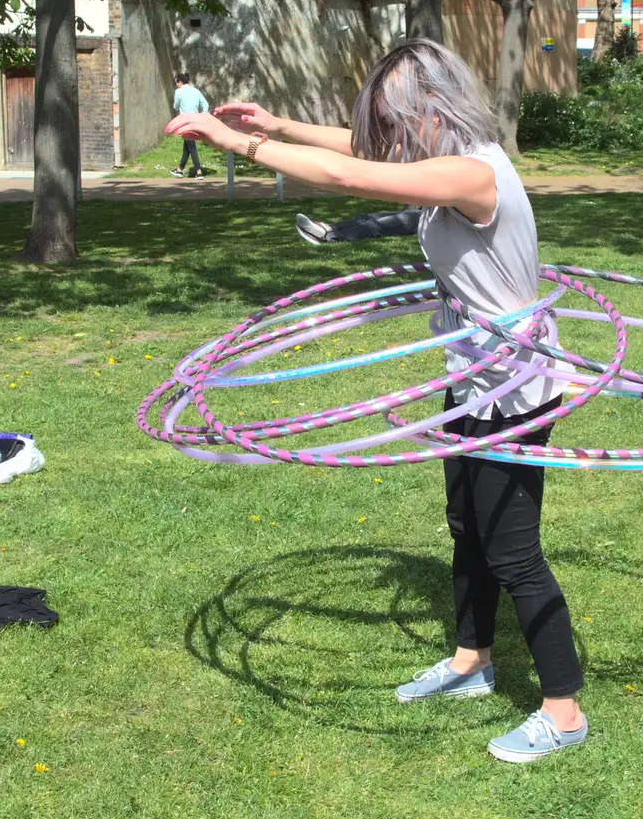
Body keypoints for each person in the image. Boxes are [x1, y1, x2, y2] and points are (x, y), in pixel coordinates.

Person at [165, 40, 588, 763]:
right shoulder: (446, 156)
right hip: (471, 372)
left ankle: (563, 710)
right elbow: (354, 148)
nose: (390, 134)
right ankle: (470, 661)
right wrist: (280, 124)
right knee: (465, 525)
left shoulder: (470, 171)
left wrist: (239, 143)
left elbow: (346, 171)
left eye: (399, 118)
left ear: (434, 110)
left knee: (513, 549)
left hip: (516, 384)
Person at [295, 208, 422, 244]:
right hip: (425, 212)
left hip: (429, 219)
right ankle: (329, 227)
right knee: (371, 218)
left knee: (379, 225)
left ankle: (331, 236)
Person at [171, 73, 210, 178]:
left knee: (191, 146)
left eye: (176, 83)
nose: (176, 85)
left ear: (179, 82)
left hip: (185, 122)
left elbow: (175, 107)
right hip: (196, 121)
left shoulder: (178, 92)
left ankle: (199, 172)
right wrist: (203, 116)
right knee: (188, 145)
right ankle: (179, 170)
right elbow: (206, 105)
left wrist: (177, 104)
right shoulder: (196, 91)